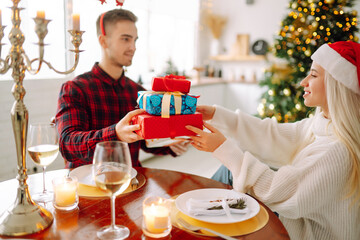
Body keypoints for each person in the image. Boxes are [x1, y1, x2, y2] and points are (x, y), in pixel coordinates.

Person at [186, 41, 360, 240]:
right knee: (230, 173)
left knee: (233, 175)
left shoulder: (336, 151)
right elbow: (274, 135)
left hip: (302, 233)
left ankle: (191, 223)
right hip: (298, 219)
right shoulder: (324, 124)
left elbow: (277, 191)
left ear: (337, 84)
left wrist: (224, 149)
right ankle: (194, 220)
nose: (303, 82)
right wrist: (218, 115)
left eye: (313, 75)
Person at [56, 9, 188, 169]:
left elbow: (145, 139)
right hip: (88, 185)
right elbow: (68, 144)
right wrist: (115, 134)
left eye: (135, 40)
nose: (133, 47)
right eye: (125, 39)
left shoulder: (138, 92)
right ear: (103, 41)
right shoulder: (75, 89)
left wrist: (171, 144)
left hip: (132, 182)